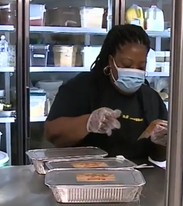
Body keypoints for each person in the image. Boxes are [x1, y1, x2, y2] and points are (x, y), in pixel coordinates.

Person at [44, 24, 168, 163]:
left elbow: (159, 156)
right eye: (126, 65)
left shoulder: (150, 98)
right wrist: (88, 123)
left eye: (141, 67)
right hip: (84, 175)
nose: (134, 71)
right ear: (111, 61)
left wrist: (161, 140)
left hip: (136, 177)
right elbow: (52, 133)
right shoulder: (82, 87)